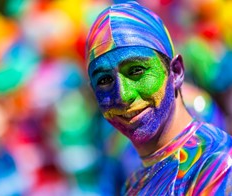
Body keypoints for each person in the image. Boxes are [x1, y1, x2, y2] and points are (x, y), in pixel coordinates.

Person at [86, 2, 232, 195]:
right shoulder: (133, 184)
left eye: (136, 70)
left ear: (176, 71)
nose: (123, 95)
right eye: (104, 80)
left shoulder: (217, 166)